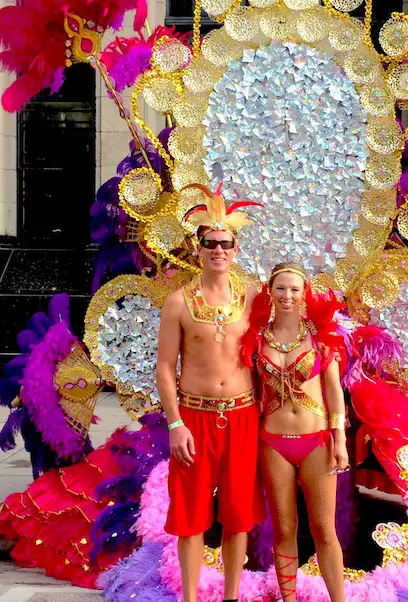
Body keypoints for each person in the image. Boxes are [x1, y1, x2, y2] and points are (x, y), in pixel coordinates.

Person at [157, 184, 265, 602]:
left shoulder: (253, 298)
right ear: (197, 249)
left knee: (238, 515)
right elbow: (165, 368)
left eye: (226, 243)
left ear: (236, 249)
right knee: (190, 514)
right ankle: (190, 597)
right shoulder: (177, 303)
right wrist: (175, 423)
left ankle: (231, 597)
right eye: (210, 243)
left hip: (243, 416)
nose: (218, 250)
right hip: (194, 418)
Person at [243, 262, 349, 602]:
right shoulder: (256, 338)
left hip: (316, 442)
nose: (287, 295)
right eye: (280, 288)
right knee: (285, 529)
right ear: (269, 292)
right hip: (273, 442)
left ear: (305, 294)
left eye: (294, 289)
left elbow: (334, 391)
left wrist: (340, 439)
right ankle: (289, 600)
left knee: (323, 530)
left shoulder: (321, 336)